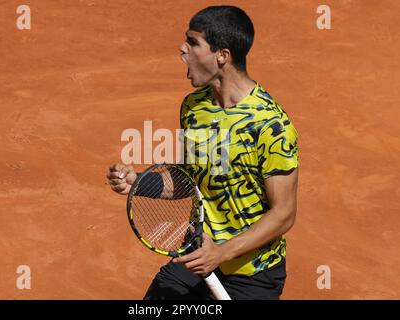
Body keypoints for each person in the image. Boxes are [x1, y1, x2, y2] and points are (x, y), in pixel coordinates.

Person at [107, 5, 299, 300]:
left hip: (252, 274)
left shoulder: (270, 124)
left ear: (222, 56)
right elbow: (191, 181)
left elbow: (284, 214)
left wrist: (220, 253)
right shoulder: (195, 107)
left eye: (193, 42)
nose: (182, 48)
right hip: (196, 254)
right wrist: (140, 182)